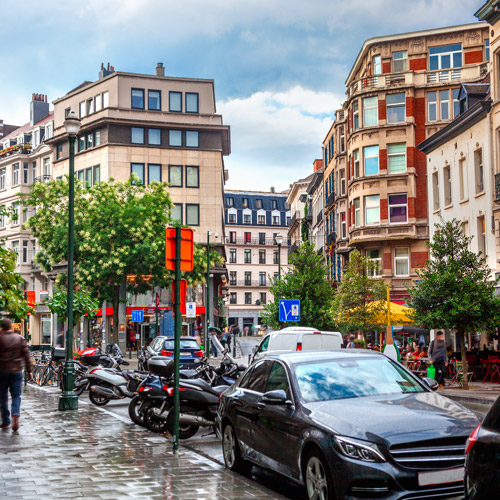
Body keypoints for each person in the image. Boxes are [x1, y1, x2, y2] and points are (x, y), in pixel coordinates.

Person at [0, 318, 32, 431]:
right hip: (17, 371)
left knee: (3, 397)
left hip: (2, 371)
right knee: (16, 396)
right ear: (11, 327)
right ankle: (15, 414)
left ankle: (5, 421)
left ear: (2, 328)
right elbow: (26, 355)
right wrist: (29, 371)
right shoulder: (20, 338)